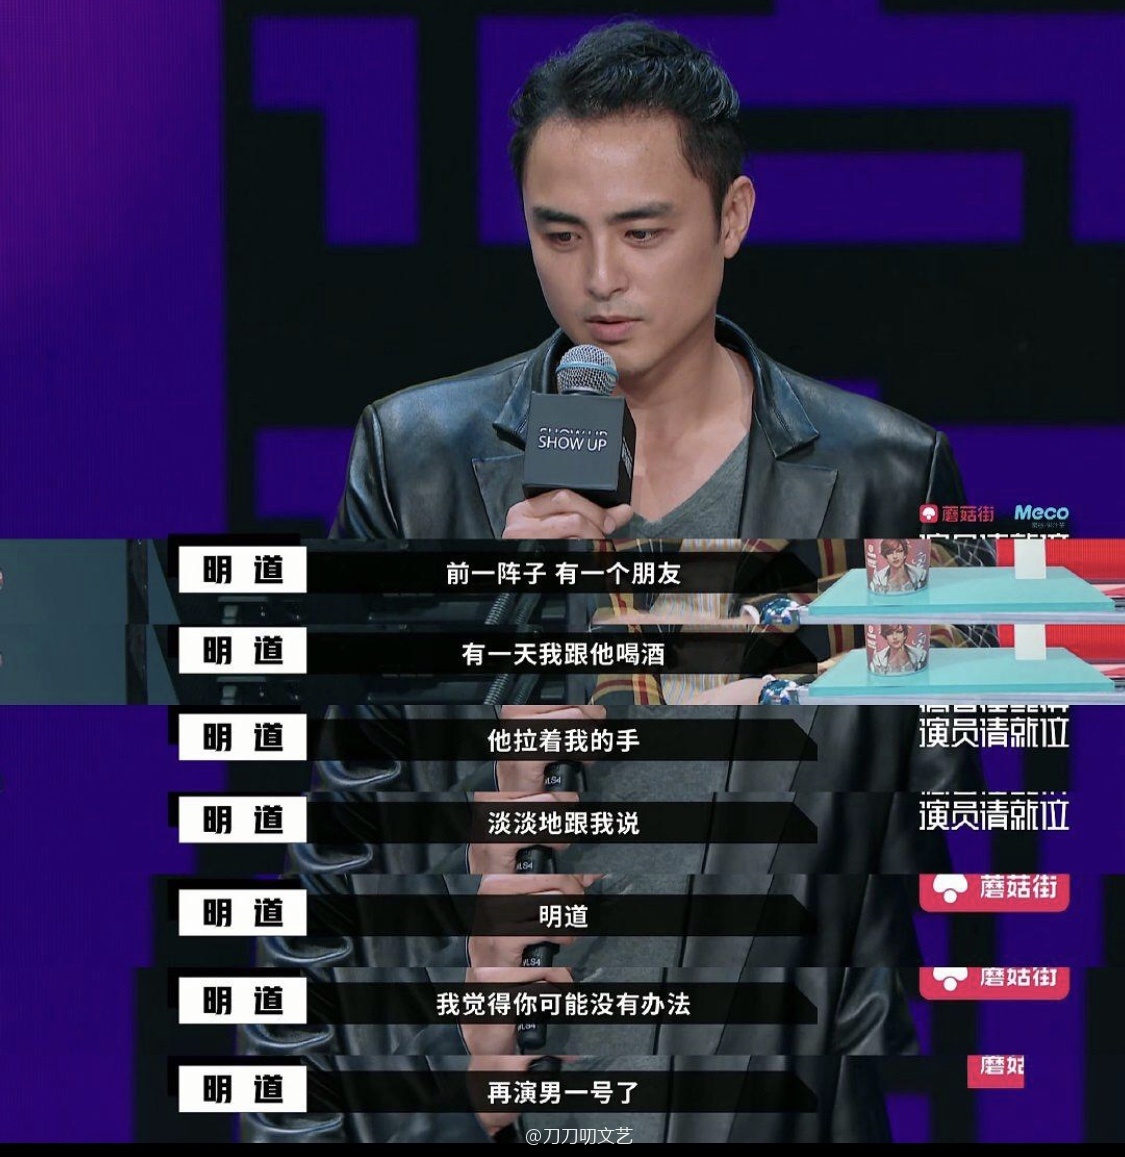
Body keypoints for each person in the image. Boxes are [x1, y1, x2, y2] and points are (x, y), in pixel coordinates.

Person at [242, 20, 984, 1145]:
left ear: (730, 217)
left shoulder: (889, 473)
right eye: (560, 234)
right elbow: (339, 845)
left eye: (642, 232)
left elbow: (952, 820)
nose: (599, 280)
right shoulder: (415, 458)